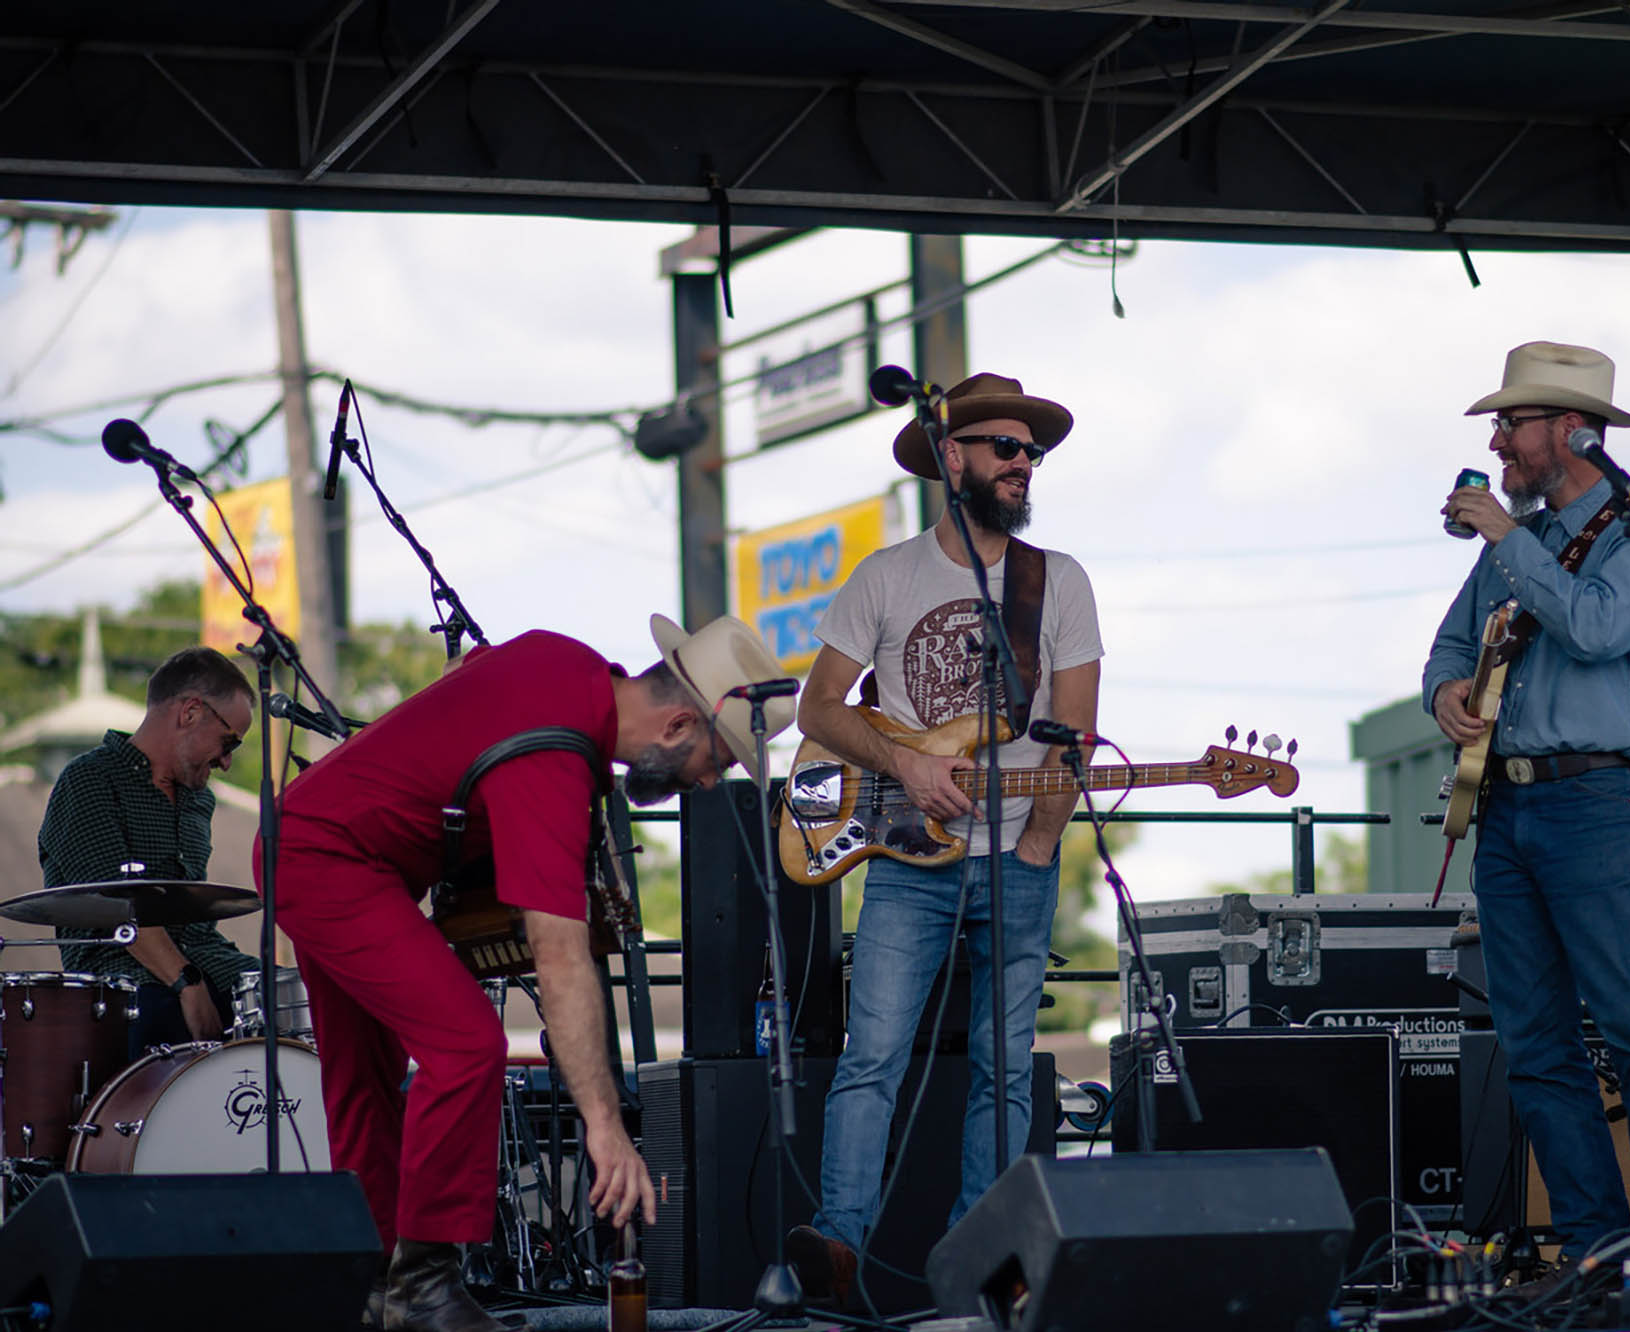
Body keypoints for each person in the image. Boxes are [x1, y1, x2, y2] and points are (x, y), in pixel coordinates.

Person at [263, 615, 794, 1332]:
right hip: (328, 860)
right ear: (675, 726)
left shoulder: (566, 658)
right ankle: (420, 1287)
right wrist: (605, 1127)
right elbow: (560, 954)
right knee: (467, 1046)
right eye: (718, 759)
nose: (707, 783)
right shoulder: (552, 756)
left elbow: (467, 677)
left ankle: (374, 1285)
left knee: (365, 1074)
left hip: (318, 841)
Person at [785, 373, 1103, 1307]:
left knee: (1005, 1074)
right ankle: (838, 1245)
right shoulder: (886, 575)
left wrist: (1042, 847)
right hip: (903, 856)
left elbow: (1074, 736)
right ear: (951, 456)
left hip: (1019, 861)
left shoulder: (1060, 582)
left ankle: (982, 1262)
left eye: (1031, 453)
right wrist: (910, 764)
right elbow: (817, 707)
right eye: (1005, 448)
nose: (1022, 465)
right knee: (870, 1056)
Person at [1424, 341, 1630, 1278]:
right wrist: (1445, 701)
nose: (1497, 440)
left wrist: (1507, 542)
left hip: (1595, 803)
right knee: (1534, 1043)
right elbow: (1444, 653)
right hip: (1506, 813)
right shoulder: (1516, 546)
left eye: (1512, 423)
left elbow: (1595, 628)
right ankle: (1597, 1250)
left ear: (1572, 430)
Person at [42, 646, 259, 1057]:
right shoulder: (89, 781)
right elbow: (114, 907)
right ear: (190, 712)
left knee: (301, 999)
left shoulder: (199, 801)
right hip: (121, 986)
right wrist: (188, 985)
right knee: (158, 1014)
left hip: (209, 965)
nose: (228, 762)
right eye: (229, 741)